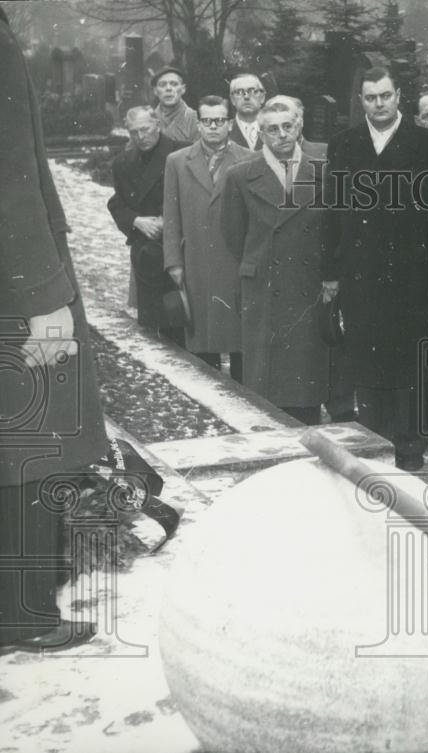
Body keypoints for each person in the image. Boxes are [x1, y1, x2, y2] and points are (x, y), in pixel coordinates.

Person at [0, 6, 106, 654]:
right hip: (16, 279)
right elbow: (11, 179)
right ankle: (26, 612)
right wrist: (43, 295)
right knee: (33, 441)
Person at [324, 68, 428, 468]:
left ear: (399, 97)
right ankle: (374, 445)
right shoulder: (344, 144)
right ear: (361, 101)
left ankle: (410, 450)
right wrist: (331, 271)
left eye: (385, 95)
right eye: (370, 97)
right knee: (367, 361)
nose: (378, 104)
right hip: (361, 274)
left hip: (410, 275)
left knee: (410, 365)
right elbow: (332, 211)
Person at [220, 98, 329, 424]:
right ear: (262, 134)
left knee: (305, 381)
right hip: (264, 288)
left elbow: (330, 231)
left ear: (298, 127)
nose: (281, 135)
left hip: (307, 287)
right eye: (272, 129)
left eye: (287, 127)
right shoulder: (240, 176)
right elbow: (233, 235)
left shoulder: (322, 172)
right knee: (266, 385)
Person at [162, 95, 254, 380]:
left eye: (220, 121)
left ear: (229, 123)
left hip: (235, 261)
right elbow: (171, 214)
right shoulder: (177, 162)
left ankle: (246, 400)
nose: (213, 126)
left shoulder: (249, 159)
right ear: (198, 124)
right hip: (197, 262)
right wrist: (173, 263)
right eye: (206, 121)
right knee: (202, 341)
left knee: (240, 341)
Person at [107, 106, 185, 343]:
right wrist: (135, 220)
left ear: (157, 125)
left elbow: (195, 196)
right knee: (155, 330)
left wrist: (168, 219)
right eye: (133, 132)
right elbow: (116, 202)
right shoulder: (122, 163)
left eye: (145, 129)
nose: (140, 137)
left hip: (181, 249)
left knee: (184, 325)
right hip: (146, 253)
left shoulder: (182, 152)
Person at [150, 66, 199, 143]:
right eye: (162, 85)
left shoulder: (195, 118)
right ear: (155, 91)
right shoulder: (149, 118)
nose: (168, 88)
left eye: (174, 84)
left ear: (183, 89)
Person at [228, 72, 266, 150]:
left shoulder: (276, 129)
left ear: (262, 97)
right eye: (239, 92)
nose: (246, 97)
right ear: (232, 99)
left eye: (252, 91)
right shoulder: (225, 132)